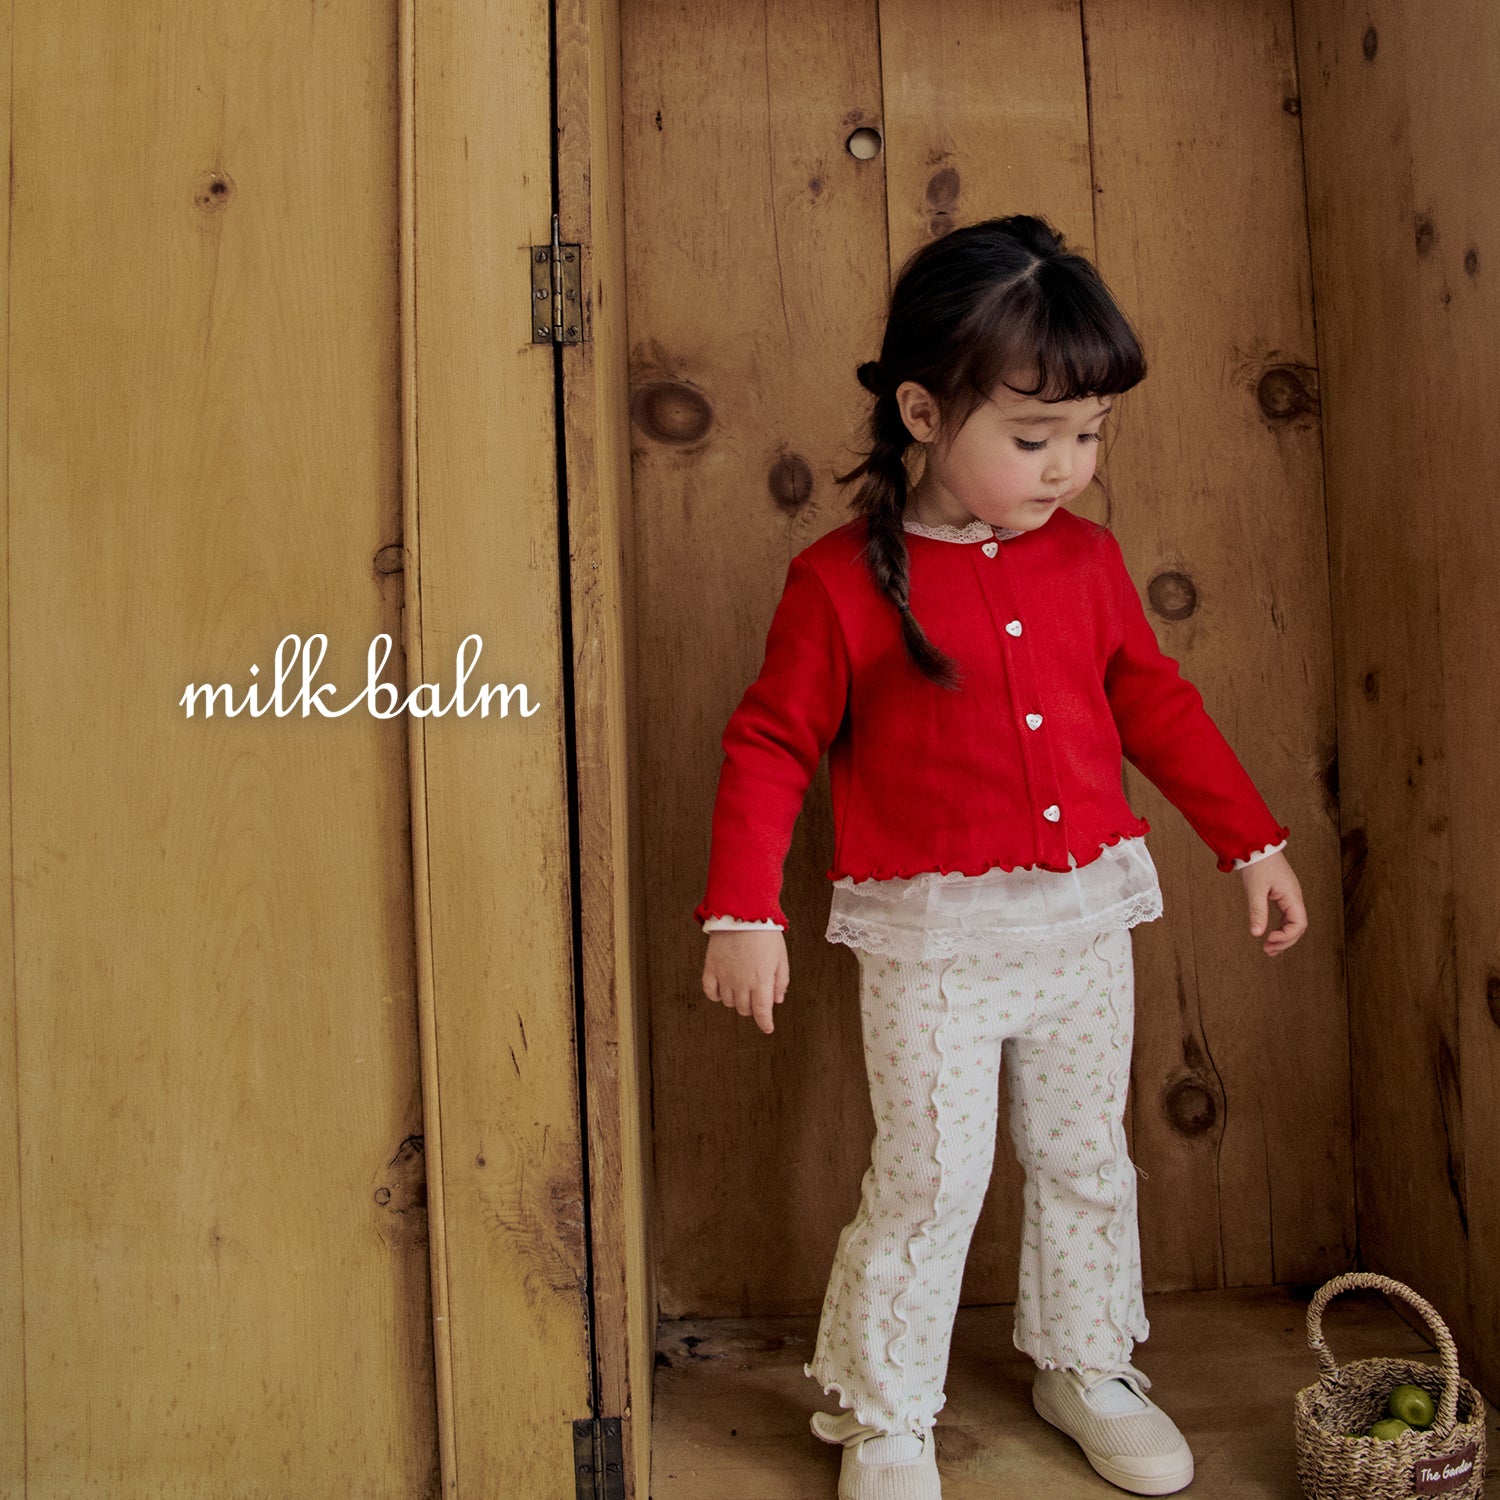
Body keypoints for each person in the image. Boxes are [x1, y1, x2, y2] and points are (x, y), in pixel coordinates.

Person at [693, 213, 1308, 1500]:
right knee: (928, 1179)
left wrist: (1250, 844)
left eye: (1090, 434)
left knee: (1085, 1158)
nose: (1067, 466)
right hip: (933, 949)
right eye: (1034, 439)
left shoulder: (1088, 561)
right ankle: (887, 1412)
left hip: (1084, 928)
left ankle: (1085, 1363)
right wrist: (743, 910)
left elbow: (1157, 705)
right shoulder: (838, 585)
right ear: (923, 412)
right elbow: (770, 745)